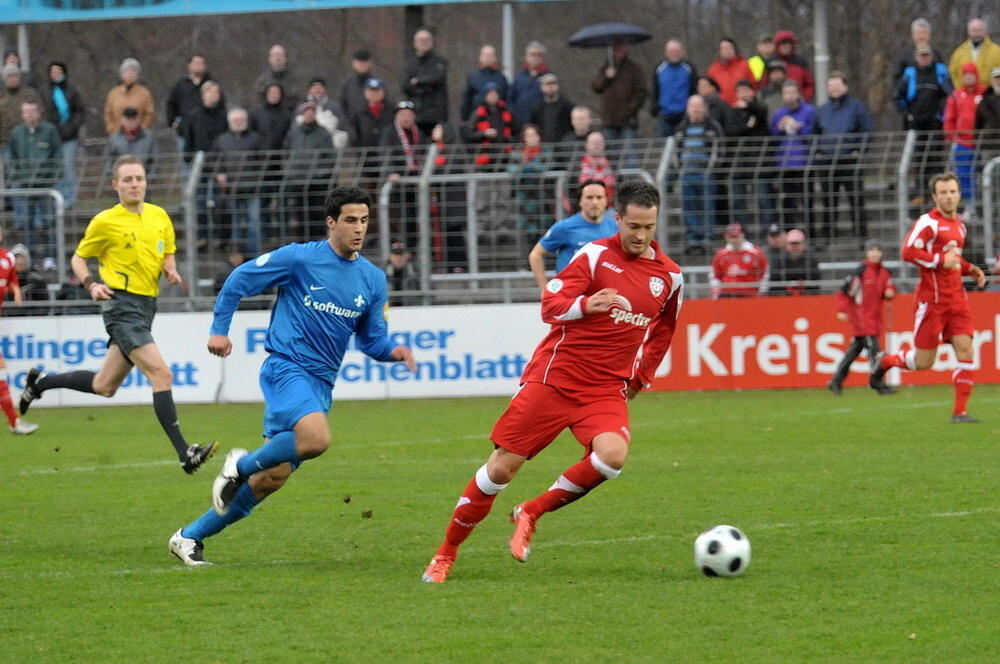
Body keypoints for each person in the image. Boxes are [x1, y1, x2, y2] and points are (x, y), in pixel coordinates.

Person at [420, 181, 683, 583]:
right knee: (500, 471)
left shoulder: (669, 277)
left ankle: (532, 511)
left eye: (649, 227)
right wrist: (585, 305)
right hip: (555, 379)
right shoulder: (593, 256)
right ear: (618, 219)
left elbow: (664, 332)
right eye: (633, 226)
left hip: (605, 388)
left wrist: (641, 377)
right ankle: (445, 554)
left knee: (611, 457)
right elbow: (551, 305)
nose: (641, 235)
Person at [168, 187, 416, 566]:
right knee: (316, 438)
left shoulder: (372, 279)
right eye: (350, 220)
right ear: (331, 223)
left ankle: (188, 537)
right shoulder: (300, 258)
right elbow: (238, 279)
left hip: (321, 384)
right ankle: (239, 465)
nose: (359, 229)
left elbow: (372, 341)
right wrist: (219, 329)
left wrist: (393, 353)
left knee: (272, 479)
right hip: (286, 367)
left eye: (364, 220)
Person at [18, 155, 219, 473]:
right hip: (120, 306)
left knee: (104, 385)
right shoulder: (105, 221)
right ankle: (185, 452)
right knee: (162, 375)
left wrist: (170, 268)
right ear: (116, 185)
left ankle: (40, 383)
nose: (134, 184)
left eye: (138, 178)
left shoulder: (159, 216)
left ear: (145, 182)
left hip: (146, 306)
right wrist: (91, 284)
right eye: (127, 180)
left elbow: (167, 249)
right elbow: (79, 259)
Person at [869, 173, 987, 422]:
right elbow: (908, 251)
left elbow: (952, 256)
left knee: (966, 350)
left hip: (957, 299)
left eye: (953, 191)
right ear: (935, 197)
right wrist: (939, 260)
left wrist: (969, 268)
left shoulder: (960, 225)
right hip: (932, 301)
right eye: (943, 192)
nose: (949, 196)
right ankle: (887, 361)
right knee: (923, 362)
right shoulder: (928, 223)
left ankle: (960, 412)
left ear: (959, 193)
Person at [828, 240, 896, 396]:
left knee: (853, 352)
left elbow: (890, 286)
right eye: (871, 251)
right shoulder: (860, 272)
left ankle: (836, 381)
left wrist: (890, 292)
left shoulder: (885, 272)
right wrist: (842, 310)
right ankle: (878, 383)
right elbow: (844, 292)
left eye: (877, 250)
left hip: (874, 318)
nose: (875, 253)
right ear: (866, 253)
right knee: (875, 352)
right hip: (862, 319)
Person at [813, 71, 873, 239]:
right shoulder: (822, 110)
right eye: (831, 86)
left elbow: (866, 131)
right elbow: (813, 133)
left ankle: (861, 237)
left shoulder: (857, 107)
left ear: (845, 86)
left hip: (850, 162)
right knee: (828, 202)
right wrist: (817, 152)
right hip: (827, 162)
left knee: (856, 201)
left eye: (837, 85)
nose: (834, 89)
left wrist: (859, 151)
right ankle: (828, 236)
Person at [528, 179, 616, 290]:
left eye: (599, 197)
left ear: (606, 201)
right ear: (580, 201)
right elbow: (535, 255)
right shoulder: (564, 227)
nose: (595, 202)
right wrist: (544, 289)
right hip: (571, 296)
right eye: (589, 197)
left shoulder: (616, 227)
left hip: (604, 295)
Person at [8, 101, 61, 258]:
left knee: (49, 221)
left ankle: (50, 256)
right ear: (22, 114)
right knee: (27, 222)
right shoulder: (17, 133)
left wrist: (52, 178)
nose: (29, 115)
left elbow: (57, 155)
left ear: (39, 113)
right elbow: (12, 157)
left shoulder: (50, 130)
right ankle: (29, 256)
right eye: (26, 112)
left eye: (32, 111)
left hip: (46, 185)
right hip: (25, 185)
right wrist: (17, 177)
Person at [674, 95, 724, 254]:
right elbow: (675, 151)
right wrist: (680, 170)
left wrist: (711, 170)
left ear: (704, 108)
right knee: (689, 207)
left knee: (707, 206)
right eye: (692, 106)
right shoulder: (681, 128)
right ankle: (693, 238)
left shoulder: (712, 127)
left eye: (698, 106)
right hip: (686, 174)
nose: (695, 109)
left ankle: (707, 237)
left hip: (705, 174)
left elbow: (719, 149)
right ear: (687, 109)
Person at [210, 108, 264, 254]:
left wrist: (258, 178)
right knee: (235, 224)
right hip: (231, 189)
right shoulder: (221, 140)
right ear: (230, 122)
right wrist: (219, 174)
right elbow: (215, 161)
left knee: (254, 222)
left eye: (241, 120)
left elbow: (263, 161)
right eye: (235, 120)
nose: (238, 122)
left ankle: (255, 253)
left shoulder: (256, 139)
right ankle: (237, 254)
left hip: (253, 189)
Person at [0, 232, 39, 434]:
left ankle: (14, 422)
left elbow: (12, 279)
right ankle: (14, 422)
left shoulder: (7, 257)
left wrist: (15, 291)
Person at [282, 101, 336, 241]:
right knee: (300, 215)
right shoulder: (294, 133)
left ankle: (317, 243)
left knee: (317, 215)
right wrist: (290, 172)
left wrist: (320, 173)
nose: (309, 114)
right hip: (297, 182)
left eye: (312, 111)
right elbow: (285, 153)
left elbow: (330, 156)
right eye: (307, 111)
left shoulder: (323, 133)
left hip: (317, 182)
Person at [770, 81, 815, 236]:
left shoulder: (809, 111)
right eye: (786, 93)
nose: (789, 96)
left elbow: (814, 133)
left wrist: (799, 127)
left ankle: (810, 233)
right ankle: (790, 233)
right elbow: (772, 138)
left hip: (804, 163)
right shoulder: (779, 114)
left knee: (807, 201)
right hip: (784, 164)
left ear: (798, 93)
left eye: (792, 92)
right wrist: (779, 129)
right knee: (788, 201)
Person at [591, 41, 647, 162]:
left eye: (620, 48)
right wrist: (606, 76)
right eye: (615, 48)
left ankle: (632, 180)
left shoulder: (634, 69)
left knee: (630, 155)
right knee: (611, 156)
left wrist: (629, 110)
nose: (618, 51)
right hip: (609, 120)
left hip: (627, 120)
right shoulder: (606, 68)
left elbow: (641, 93)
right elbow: (596, 87)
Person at [41, 61, 84, 208]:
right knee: (55, 167)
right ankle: (57, 198)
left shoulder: (72, 90)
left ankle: (69, 199)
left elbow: (79, 110)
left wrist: (72, 127)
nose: (55, 74)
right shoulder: (46, 91)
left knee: (68, 166)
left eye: (58, 71)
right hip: (52, 136)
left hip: (69, 135)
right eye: (52, 71)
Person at [943, 63, 986, 209]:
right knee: (964, 174)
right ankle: (970, 206)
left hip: (982, 142)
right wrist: (950, 136)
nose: (969, 78)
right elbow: (949, 118)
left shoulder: (984, 94)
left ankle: (985, 206)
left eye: (971, 74)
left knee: (984, 174)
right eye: (966, 75)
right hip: (962, 142)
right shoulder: (956, 95)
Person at [403, 28, 448, 136]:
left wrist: (418, 81)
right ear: (415, 43)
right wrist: (426, 84)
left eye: (427, 39)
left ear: (432, 42)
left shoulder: (439, 61)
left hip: (437, 115)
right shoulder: (409, 65)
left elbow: (437, 78)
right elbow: (405, 86)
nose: (424, 42)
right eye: (421, 40)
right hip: (416, 114)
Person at [650, 39, 697, 137]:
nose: (673, 54)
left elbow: (694, 88)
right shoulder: (659, 68)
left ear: (681, 52)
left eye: (676, 51)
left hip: (684, 113)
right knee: (667, 144)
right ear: (666, 53)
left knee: (684, 143)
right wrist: (654, 107)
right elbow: (655, 90)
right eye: (671, 51)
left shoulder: (689, 68)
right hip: (665, 113)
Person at [166, 54, 212, 151]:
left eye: (201, 63)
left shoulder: (211, 84)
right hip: (185, 130)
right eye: (196, 63)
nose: (199, 66)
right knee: (186, 160)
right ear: (189, 66)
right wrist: (173, 122)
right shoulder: (180, 84)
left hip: (207, 130)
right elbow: (171, 104)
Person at [709, 223, 767, 298]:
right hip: (727, 295)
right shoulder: (720, 254)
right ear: (726, 237)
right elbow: (715, 276)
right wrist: (715, 294)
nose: (734, 240)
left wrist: (762, 293)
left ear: (742, 235)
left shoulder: (756, 253)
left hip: (750, 295)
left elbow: (764, 275)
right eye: (731, 237)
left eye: (736, 236)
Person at [467, 82, 514, 168]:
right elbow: (469, 134)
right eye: (490, 94)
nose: (493, 96)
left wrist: (509, 140)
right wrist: (484, 133)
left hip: (504, 155)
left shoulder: (506, 111)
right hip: (486, 156)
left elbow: (515, 130)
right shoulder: (478, 113)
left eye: (495, 93)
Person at [103, 58, 154, 136]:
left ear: (138, 75)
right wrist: (111, 129)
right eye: (126, 72)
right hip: (117, 136)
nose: (130, 74)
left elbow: (149, 113)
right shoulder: (114, 93)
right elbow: (108, 113)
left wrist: (142, 130)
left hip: (139, 137)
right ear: (122, 75)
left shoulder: (144, 93)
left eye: (133, 71)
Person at [460, 45, 509, 122]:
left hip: (498, 119)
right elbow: (467, 99)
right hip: (477, 119)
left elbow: (506, 99)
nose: (487, 58)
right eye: (485, 55)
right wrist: (465, 118)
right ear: (480, 57)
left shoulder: (501, 78)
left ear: (495, 58)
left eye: (490, 55)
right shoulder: (473, 77)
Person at [948, 18, 1000, 90]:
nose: (977, 34)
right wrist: (960, 91)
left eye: (980, 30)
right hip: (965, 96)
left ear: (985, 31)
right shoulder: (959, 52)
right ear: (968, 32)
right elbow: (953, 72)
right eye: (974, 30)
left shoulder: (996, 51)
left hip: (989, 96)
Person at [0, 65, 42, 150]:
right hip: (7, 141)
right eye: (9, 76)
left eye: (15, 76)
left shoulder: (30, 94)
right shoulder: (1, 97)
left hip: (30, 139)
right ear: (4, 79)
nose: (13, 79)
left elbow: (41, 113)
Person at [105, 107, 156, 174]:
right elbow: (108, 159)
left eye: (133, 119)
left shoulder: (148, 137)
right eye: (128, 119)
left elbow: (155, 159)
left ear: (138, 119)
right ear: (122, 120)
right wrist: (112, 176)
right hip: (121, 177)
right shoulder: (114, 138)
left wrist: (151, 177)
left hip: (143, 177)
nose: (131, 122)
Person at [768, 228, 819, 295]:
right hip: (783, 295)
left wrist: (787, 277)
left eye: (797, 243)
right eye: (792, 244)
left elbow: (815, 279)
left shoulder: (811, 259)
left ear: (803, 244)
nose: (795, 247)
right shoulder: (780, 259)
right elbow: (774, 278)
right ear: (786, 245)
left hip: (806, 295)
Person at [510, 41, 549, 126]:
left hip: (542, 123)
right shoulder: (519, 77)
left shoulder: (549, 77)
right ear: (526, 57)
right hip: (521, 123)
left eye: (539, 55)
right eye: (533, 55)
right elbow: (511, 99)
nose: (536, 58)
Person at [707, 38, 754, 105]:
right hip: (722, 108)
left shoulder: (744, 65)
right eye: (724, 48)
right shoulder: (713, 70)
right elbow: (710, 91)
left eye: (729, 48)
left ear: (734, 49)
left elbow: (753, 85)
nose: (727, 51)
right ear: (720, 51)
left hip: (743, 105)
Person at [529, 73, 573, 144]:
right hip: (543, 145)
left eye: (553, 84)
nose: (550, 87)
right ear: (542, 87)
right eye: (547, 85)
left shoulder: (566, 105)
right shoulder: (538, 107)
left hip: (562, 145)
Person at [772, 30, 814, 102]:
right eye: (782, 44)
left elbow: (809, 84)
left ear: (792, 45)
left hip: (798, 102)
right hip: (775, 101)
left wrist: (805, 98)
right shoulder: (772, 62)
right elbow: (765, 83)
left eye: (788, 43)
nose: (785, 46)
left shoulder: (801, 62)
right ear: (777, 46)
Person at [340, 50, 374, 123]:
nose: (362, 65)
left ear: (370, 64)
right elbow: (342, 105)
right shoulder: (348, 84)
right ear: (353, 64)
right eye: (359, 62)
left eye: (364, 62)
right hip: (351, 125)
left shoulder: (376, 83)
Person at [383, 240, 420, 306]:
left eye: (401, 254)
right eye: (396, 254)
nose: (399, 258)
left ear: (408, 256)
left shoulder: (416, 274)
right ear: (390, 257)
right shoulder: (381, 274)